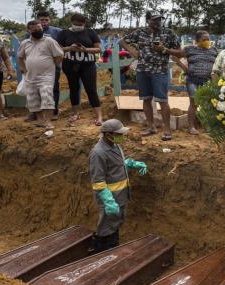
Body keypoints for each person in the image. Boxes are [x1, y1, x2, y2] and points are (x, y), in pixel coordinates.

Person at [119, 11, 182, 141]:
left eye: (160, 20)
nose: (158, 22)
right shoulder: (140, 32)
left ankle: (167, 129)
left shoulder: (169, 33)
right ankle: (150, 127)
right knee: (146, 99)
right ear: (148, 21)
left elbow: (180, 52)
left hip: (160, 70)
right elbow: (122, 41)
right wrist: (132, 51)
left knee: (162, 100)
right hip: (143, 70)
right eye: (155, 20)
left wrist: (165, 50)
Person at [89, 119, 147, 253]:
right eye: (118, 134)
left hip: (120, 197)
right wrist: (109, 202)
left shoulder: (115, 145)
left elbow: (115, 165)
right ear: (108, 134)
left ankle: (112, 250)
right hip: (110, 199)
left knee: (114, 227)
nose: (121, 136)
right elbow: (98, 181)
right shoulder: (98, 153)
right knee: (106, 229)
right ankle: (100, 253)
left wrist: (132, 164)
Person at [57, 13, 103, 126]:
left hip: (87, 65)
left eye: (81, 24)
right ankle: (75, 113)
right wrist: (70, 48)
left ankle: (99, 116)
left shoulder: (90, 32)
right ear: (71, 22)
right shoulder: (63, 33)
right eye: (76, 24)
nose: (78, 26)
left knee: (91, 89)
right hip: (70, 65)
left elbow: (98, 49)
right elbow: (57, 48)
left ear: (84, 23)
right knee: (74, 88)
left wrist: (85, 49)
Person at [17, 21, 64, 132]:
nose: (38, 30)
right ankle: (40, 120)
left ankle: (48, 121)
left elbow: (60, 55)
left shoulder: (49, 41)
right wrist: (24, 69)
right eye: (35, 29)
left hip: (46, 76)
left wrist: (52, 64)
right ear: (29, 31)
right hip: (30, 76)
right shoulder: (25, 43)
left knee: (47, 95)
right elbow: (20, 57)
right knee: (33, 99)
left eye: (40, 28)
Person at [170, 30, 218, 135]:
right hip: (193, 81)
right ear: (197, 40)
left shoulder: (214, 50)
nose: (207, 41)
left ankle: (207, 126)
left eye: (208, 39)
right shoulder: (189, 49)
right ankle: (191, 127)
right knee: (194, 102)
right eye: (204, 39)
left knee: (208, 103)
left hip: (208, 81)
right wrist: (183, 67)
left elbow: (218, 65)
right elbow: (175, 57)